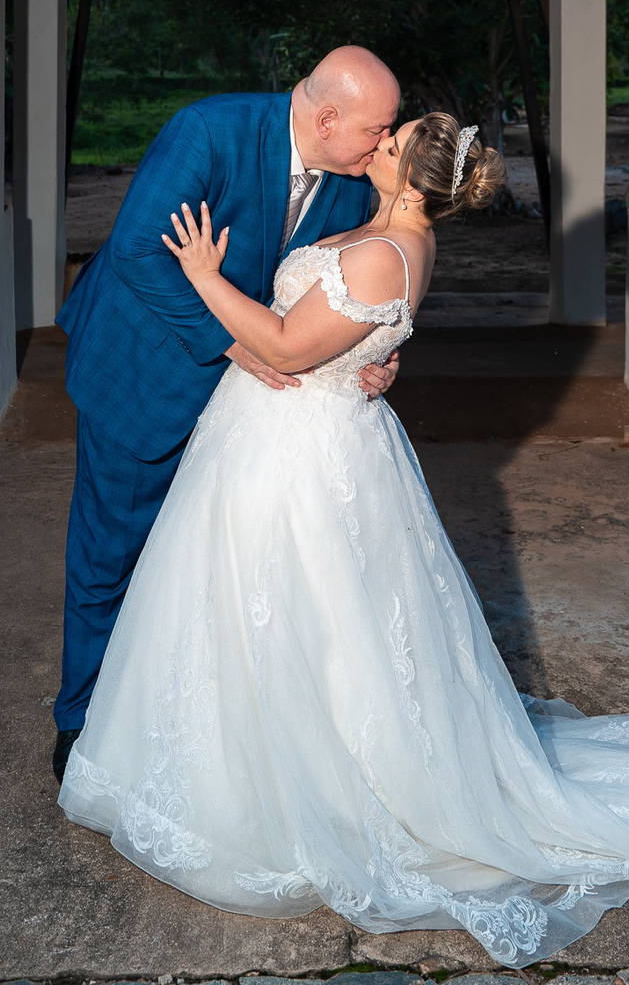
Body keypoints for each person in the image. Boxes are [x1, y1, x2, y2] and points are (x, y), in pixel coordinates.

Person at [58, 112, 629, 966]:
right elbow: (361, 329)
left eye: (393, 138)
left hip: (298, 458)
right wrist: (380, 353)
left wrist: (201, 272)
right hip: (294, 440)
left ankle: (295, 793)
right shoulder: (392, 232)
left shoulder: (387, 248)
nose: (377, 141)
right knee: (289, 619)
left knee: (289, 616)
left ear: (413, 178)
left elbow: (280, 344)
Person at [51, 46, 402, 782]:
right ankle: (80, 720)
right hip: (142, 369)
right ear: (328, 116)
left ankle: (177, 723)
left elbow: (343, 292)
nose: (382, 144)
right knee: (109, 558)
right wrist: (230, 344)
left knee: (207, 569)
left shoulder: (348, 180)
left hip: (250, 410)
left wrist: (366, 352)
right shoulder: (209, 131)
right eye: (376, 128)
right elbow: (140, 250)